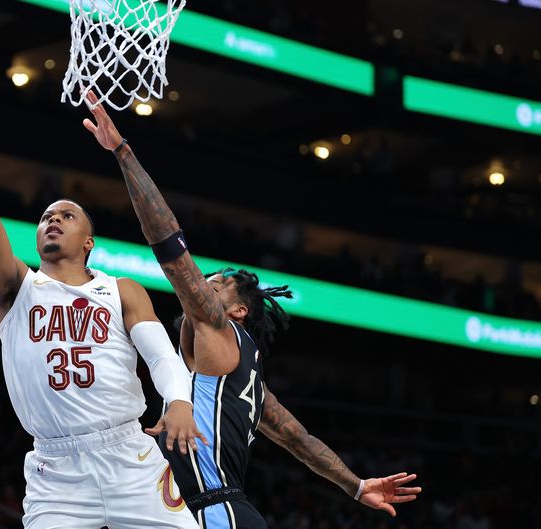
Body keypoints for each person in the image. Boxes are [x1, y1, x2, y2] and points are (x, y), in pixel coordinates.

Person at [83, 91, 423, 528]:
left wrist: (123, 152)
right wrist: (355, 485)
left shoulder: (218, 328)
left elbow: (169, 246)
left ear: (238, 312)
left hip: (213, 510)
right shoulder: (250, 384)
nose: (207, 282)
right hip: (215, 511)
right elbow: (300, 440)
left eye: (218, 285)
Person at [0, 55, 205, 528]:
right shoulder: (15, 289)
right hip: (56, 470)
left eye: (66, 216)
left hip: (129, 455)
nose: (53, 220)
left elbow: (162, 356)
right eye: (47, 216)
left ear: (88, 241)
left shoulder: (120, 289)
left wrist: (178, 402)